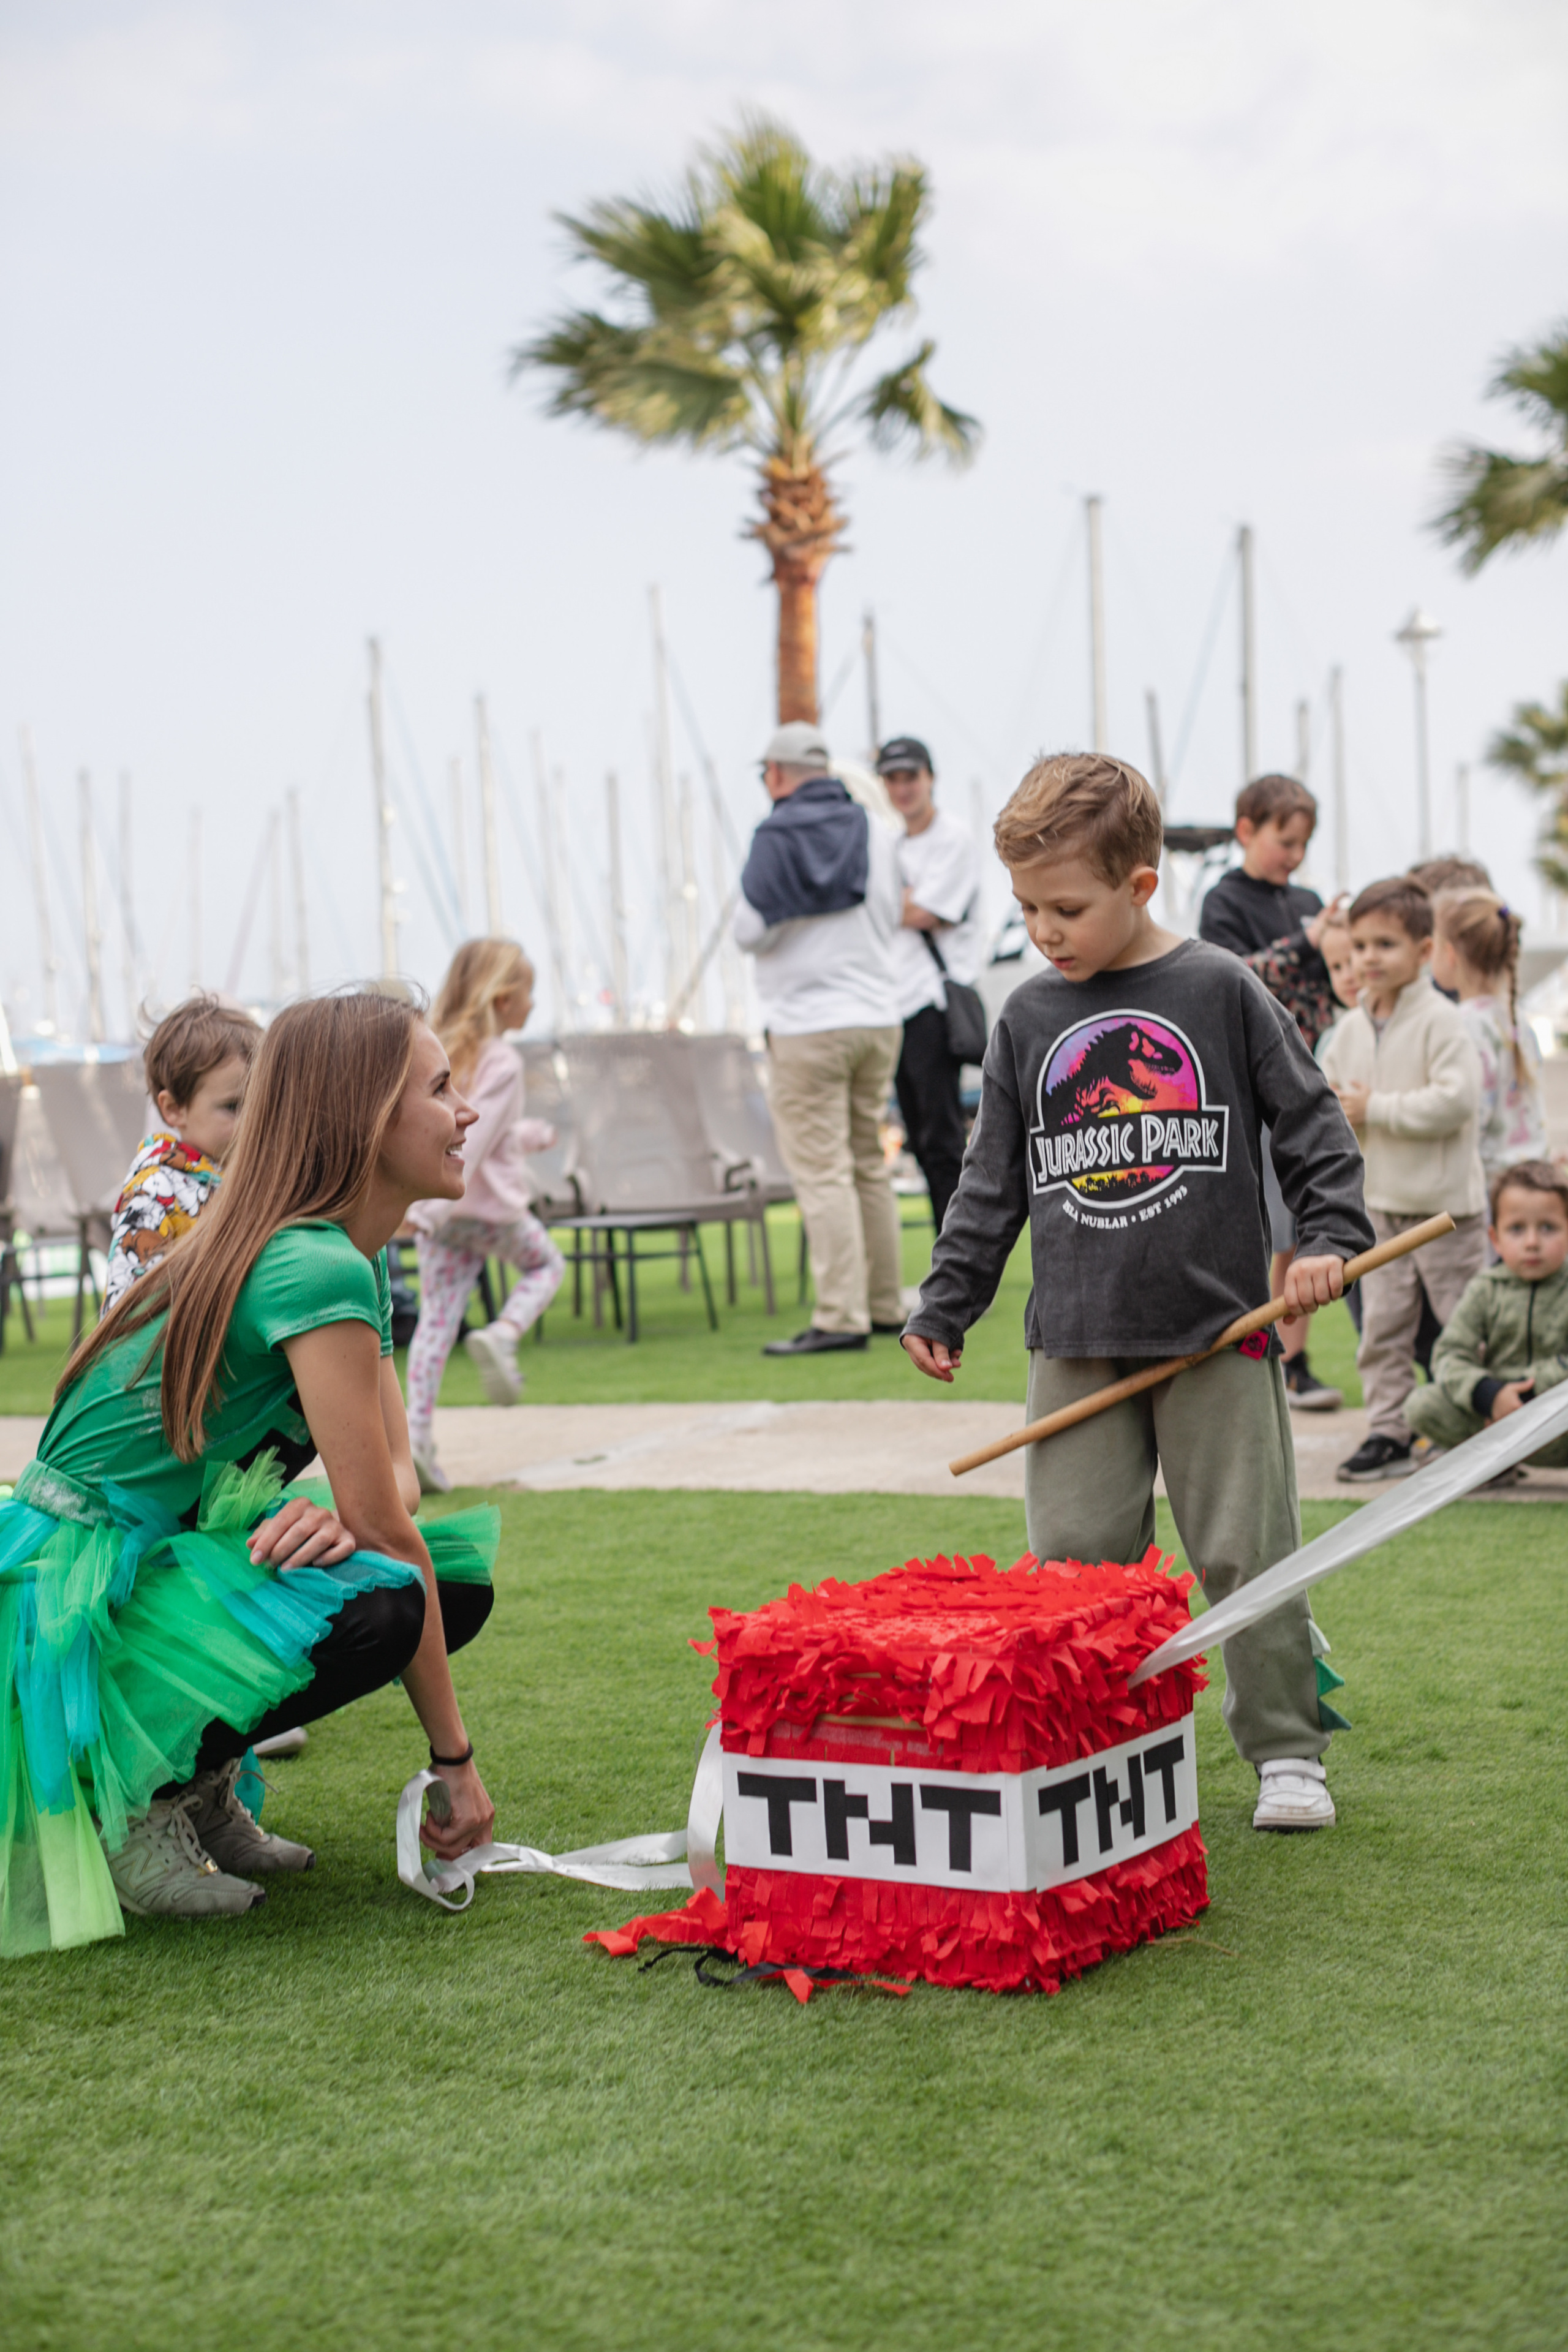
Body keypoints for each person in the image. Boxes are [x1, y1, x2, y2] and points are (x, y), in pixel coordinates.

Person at [903, 753, 1372, 1833]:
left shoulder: (1218, 987)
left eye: (1067, 907)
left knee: (1243, 1552)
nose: (1046, 929)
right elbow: (991, 1180)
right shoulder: (1023, 1015)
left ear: (1141, 885)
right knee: (1076, 1568)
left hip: (1220, 1334)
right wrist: (945, 1302)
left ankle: (1288, 1752)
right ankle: (1094, 1755)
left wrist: (1331, 1241)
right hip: (1075, 1339)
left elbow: (1311, 1127)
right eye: (1027, 908)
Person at [0, 991, 500, 1956]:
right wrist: (456, 1763)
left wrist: (338, 1516)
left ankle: (195, 1781)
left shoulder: (347, 1258)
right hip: (75, 1595)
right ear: (365, 1122)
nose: (466, 1110)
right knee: (392, 1601)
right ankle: (138, 1800)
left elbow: (394, 1488)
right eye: (441, 1089)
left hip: (162, 1557)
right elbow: (388, 1533)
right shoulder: (309, 1265)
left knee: (449, 1587)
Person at [734, 720, 905, 1355]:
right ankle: (886, 1304)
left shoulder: (774, 836)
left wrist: (792, 916)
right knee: (868, 1163)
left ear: (776, 774)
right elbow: (888, 911)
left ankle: (840, 1315)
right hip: (877, 1016)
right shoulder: (878, 832)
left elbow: (750, 929)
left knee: (823, 1171)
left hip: (808, 1023)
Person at [1321, 878, 1486, 1482]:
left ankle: (1473, 1434)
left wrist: (1377, 1108)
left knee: (1462, 1331)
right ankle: (1388, 1431)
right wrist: (1343, 1111)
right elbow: (1329, 1099)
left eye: (1384, 945)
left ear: (1422, 950)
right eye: (1360, 945)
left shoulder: (1444, 1021)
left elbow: (1458, 1101)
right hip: (1380, 1210)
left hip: (1447, 1213)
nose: (1367, 958)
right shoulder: (1349, 1029)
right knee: (1382, 1331)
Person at [1200, 774, 1344, 1411]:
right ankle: (1254, 1355)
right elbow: (1229, 977)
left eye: (1303, 844)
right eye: (1284, 840)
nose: (1294, 854)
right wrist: (1306, 944)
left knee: (1300, 1231)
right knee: (1259, 1229)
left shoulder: (1308, 898)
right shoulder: (1222, 901)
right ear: (1246, 832)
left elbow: (1330, 990)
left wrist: (1340, 943)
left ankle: (1295, 1357)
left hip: (1312, 1077)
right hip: (1252, 1086)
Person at [404, 938, 565, 1493]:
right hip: (485, 1208)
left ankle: (416, 1439)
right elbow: (478, 1135)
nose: (533, 1005)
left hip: (444, 1214)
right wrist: (429, 1207)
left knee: (436, 1323)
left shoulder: (438, 1052)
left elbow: (482, 1132)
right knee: (547, 1266)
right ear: (502, 1000)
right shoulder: (503, 1061)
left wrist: (423, 1207)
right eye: (529, 994)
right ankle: (505, 1332)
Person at [1402, 1161, 1568, 1480]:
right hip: (1496, 1421)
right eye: (1517, 1229)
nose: (1532, 1242)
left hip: (1557, 1425)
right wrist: (1489, 1396)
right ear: (1495, 1238)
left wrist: (1527, 1396)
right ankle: (1496, 1464)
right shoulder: (1484, 1289)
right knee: (1422, 1405)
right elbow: (1449, 1355)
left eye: (1548, 1227)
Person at [876, 734, 981, 1234]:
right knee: (920, 1137)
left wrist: (893, 903)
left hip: (934, 1004)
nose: (902, 788)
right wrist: (902, 903)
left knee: (942, 1140)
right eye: (893, 779)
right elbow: (902, 909)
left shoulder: (953, 836)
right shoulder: (889, 843)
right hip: (894, 1003)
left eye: (910, 777)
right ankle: (951, 1248)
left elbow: (930, 912)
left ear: (929, 778)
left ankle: (959, 1250)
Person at [102, 995, 262, 1316]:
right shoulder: (155, 1190)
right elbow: (128, 1307)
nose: (253, 1121)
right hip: (178, 1357)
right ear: (174, 1109)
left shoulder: (253, 1174)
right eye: (234, 1107)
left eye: (261, 1103)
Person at [1429, 890, 1545, 1191]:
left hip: (1489, 1188)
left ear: (1450, 954)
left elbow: (1469, 1113)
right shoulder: (1517, 1018)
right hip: (1533, 1177)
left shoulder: (1461, 1024)